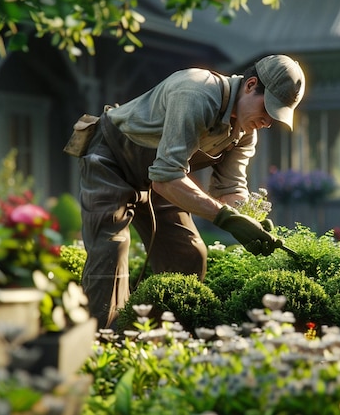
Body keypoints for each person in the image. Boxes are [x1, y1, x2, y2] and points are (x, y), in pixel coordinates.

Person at [74, 54, 306, 328]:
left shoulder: (244, 132)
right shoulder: (196, 93)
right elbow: (166, 178)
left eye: (275, 116)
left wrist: (248, 217)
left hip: (162, 175)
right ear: (251, 85)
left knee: (188, 253)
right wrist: (225, 218)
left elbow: (230, 187)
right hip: (112, 160)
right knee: (110, 253)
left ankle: (163, 337)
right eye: (267, 109)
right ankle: (101, 346)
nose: (268, 122)